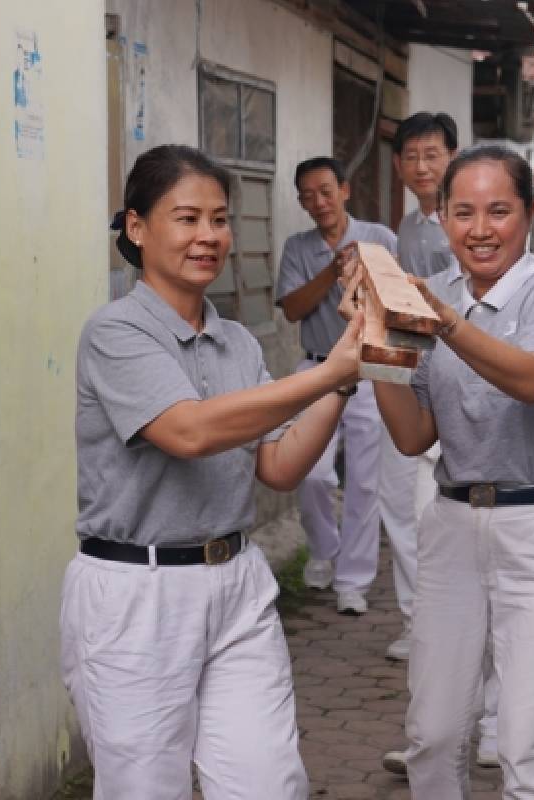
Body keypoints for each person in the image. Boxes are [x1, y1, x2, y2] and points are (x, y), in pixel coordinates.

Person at [63, 144, 364, 799]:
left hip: (236, 583)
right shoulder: (115, 333)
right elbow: (189, 431)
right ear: (137, 228)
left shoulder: (237, 343)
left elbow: (280, 466)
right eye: (188, 218)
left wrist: (343, 380)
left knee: (267, 783)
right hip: (135, 596)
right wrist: (321, 373)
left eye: (220, 220)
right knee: (146, 789)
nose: (209, 237)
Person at [369, 146, 534, 799]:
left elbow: (531, 380)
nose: (480, 229)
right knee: (434, 735)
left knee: (529, 748)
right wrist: (374, 346)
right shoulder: (428, 296)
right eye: (462, 212)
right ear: (440, 218)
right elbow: (413, 435)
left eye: (499, 211)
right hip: (451, 528)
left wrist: (442, 323)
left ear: (528, 214)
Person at [379, 114, 501, 774]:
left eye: (435, 155)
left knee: (495, 582)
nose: (423, 166)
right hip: (423, 398)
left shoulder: (475, 234)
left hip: (473, 406)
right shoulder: (407, 228)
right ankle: (438, 734)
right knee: (435, 560)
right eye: (413, 156)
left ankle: (500, 721)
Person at [275, 157, 397, 614]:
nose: (318, 202)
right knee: (312, 471)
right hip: (317, 369)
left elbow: (397, 302)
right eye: (307, 195)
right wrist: (331, 272)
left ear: (344, 190)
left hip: (368, 370)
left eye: (325, 191)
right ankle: (325, 550)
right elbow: (292, 309)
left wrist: (362, 277)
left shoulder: (380, 238)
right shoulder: (298, 247)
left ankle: (355, 581)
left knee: (365, 481)